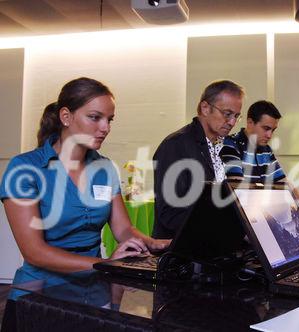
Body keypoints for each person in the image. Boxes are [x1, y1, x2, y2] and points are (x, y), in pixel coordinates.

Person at [0, 77, 169, 330]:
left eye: (109, 119)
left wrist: (153, 243)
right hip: (40, 296)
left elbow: (123, 229)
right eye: (95, 117)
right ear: (66, 116)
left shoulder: (105, 168)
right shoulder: (25, 168)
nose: (105, 128)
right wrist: (106, 265)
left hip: (95, 292)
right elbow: (34, 252)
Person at [153, 80, 244, 239]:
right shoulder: (176, 145)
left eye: (236, 116)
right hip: (181, 251)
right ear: (205, 108)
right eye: (227, 114)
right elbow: (170, 214)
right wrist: (223, 227)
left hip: (209, 244)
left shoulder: (223, 146)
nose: (232, 122)